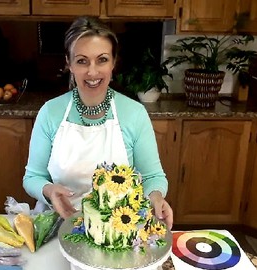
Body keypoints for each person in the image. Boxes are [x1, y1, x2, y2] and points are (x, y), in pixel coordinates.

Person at [22, 16, 173, 229]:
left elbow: (153, 176)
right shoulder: (50, 113)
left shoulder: (134, 114)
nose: (92, 72)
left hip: (117, 227)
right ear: (69, 64)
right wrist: (48, 190)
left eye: (102, 59)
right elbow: (33, 176)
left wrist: (156, 197)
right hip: (59, 223)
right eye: (82, 61)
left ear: (113, 62)